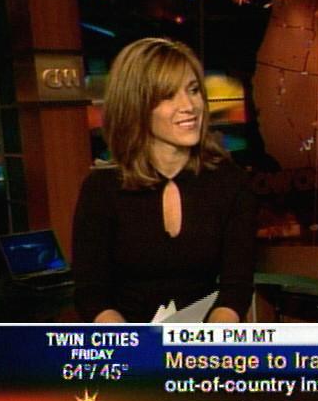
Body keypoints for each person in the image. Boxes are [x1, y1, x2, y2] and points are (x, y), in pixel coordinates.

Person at [72, 37, 256, 323]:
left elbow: (236, 288)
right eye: (168, 95)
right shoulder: (101, 189)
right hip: (129, 340)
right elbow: (91, 293)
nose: (189, 106)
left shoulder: (231, 183)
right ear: (136, 106)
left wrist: (212, 339)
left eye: (193, 90)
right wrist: (130, 343)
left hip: (203, 340)